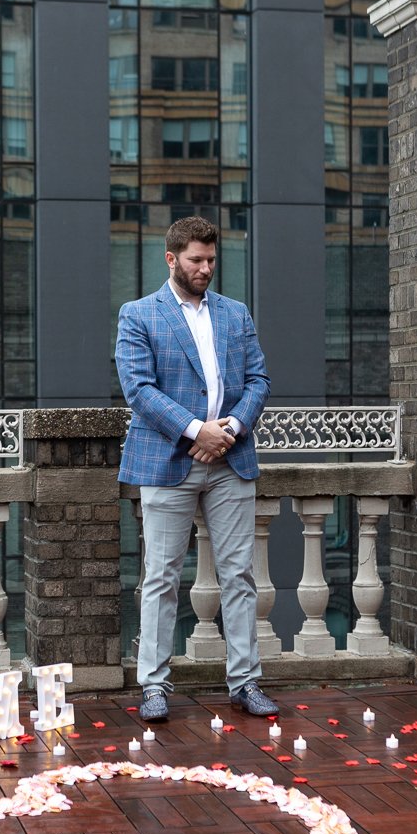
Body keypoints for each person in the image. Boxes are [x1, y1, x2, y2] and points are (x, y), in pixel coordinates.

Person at [115, 215, 276, 722]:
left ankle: (246, 682)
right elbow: (139, 390)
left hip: (231, 460)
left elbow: (259, 380)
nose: (206, 268)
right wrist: (194, 431)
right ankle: (155, 687)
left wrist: (228, 430)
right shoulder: (139, 315)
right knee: (161, 577)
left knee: (239, 576)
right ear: (171, 259)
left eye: (211, 260)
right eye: (196, 261)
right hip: (167, 462)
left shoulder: (236, 314)